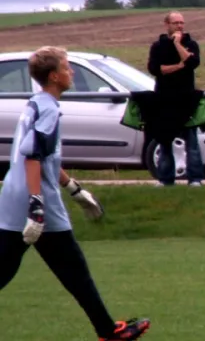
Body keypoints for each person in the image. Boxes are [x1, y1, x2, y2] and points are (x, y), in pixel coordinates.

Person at [0, 46, 151, 341]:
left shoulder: (37, 103)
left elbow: (44, 157)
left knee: (6, 266)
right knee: (74, 270)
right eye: (68, 68)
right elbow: (32, 155)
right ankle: (109, 332)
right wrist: (37, 204)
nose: (71, 73)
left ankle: (107, 330)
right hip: (36, 201)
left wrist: (74, 189)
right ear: (55, 76)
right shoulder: (50, 110)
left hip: (12, 197)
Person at [147, 11, 204, 187]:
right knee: (165, 141)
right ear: (167, 25)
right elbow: (156, 69)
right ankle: (165, 179)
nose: (179, 26)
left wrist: (178, 44)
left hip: (187, 98)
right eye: (175, 23)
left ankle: (195, 179)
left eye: (181, 23)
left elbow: (192, 63)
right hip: (164, 98)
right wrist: (179, 66)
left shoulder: (190, 43)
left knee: (192, 142)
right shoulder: (158, 46)